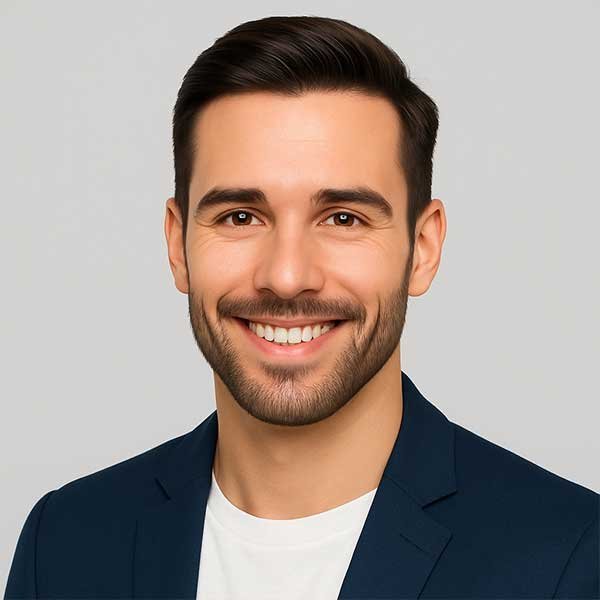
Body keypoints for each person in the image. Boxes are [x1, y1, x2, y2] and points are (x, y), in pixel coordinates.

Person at [5, 15, 598, 600]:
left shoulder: (570, 559)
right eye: (241, 216)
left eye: (343, 218)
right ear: (177, 244)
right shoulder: (63, 544)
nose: (287, 277)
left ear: (422, 248)